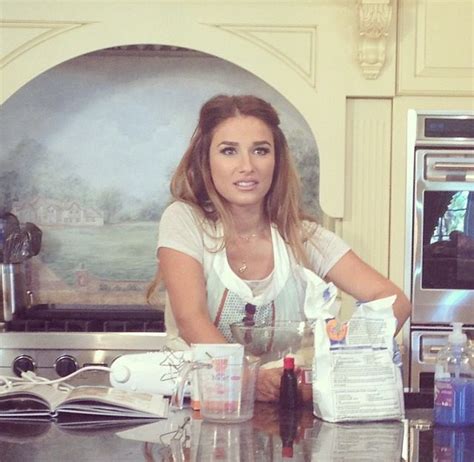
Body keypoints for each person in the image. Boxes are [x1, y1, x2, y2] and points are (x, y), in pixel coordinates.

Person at [149, 94, 411, 402]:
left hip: (284, 415)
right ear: (206, 161)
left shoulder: (302, 236)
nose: (246, 166)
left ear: (276, 160)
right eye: (229, 151)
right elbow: (191, 318)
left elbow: (395, 301)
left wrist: (342, 359)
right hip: (198, 409)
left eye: (260, 150)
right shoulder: (184, 220)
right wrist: (250, 380)